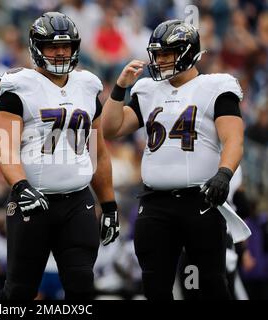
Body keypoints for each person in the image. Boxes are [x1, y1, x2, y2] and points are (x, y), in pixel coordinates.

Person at [102, 20, 244, 300]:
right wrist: (120, 88)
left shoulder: (216, 86)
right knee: (155, 285)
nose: (161, 60)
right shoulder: (147, 90)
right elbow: (111, 129)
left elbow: (233, 139)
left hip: (200, 200)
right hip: (155, 203)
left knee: (211, 285)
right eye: (158, 53)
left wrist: (224, 174)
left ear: (189, 52)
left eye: (169, 52)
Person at [0, 12, 120, 300]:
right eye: (52, 46)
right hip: (32, 202)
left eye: (66, 46)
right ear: (37, 48)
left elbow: (97, 150)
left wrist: (109, 203)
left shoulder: (87, 85)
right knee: (20, 290)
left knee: (82, 285)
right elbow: (4, 147)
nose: (61, 52)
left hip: (78, 202)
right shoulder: (18, 87)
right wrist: (21, 187)